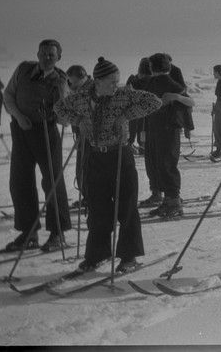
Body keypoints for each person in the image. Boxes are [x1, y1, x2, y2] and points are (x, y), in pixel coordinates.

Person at [55, 57, 162, 273]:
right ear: (98, 81)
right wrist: (78, 122)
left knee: (127, 207)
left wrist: (126, 115)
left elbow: (154, 101)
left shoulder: (123, 95)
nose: (116, 85)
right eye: (112, 81)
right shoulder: (82, 98)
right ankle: (97, 254)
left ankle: (128, 257)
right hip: (95, 158)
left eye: (117, 81)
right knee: (97, 209)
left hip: (120, 156)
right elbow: (59, 107)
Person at [2, 40, 72, 252]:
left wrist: (59, 109)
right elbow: (8, 95)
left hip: (45, 132)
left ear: (58, 57)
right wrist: (19, 116)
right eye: (43, 53)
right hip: (21, 130)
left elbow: (65, 119)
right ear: (38, 54)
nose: (47, 57)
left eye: (51, 54)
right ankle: (29, 232)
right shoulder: (23, 69)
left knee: (52, 181)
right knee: (19, 181)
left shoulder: (60, 81)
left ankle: (57, 233)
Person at [142, 53, 195, 218]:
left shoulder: (169, 82)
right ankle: (167, 200)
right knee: (157, 163)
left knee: (166, 164)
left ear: (153, 67)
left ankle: (175, 202)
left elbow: (191, 102)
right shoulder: (152, 81)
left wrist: (176, 97)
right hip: (154, 127)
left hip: (168, 129)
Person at [65, 65, 94, 201]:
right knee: (81, 169)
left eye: (75, 82)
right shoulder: (78, 89)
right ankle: (87, 196)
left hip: (91, 136)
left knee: (88, 168)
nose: (72, 84)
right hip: (81, 134)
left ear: (83, 78)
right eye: (70, 82)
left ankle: (91, 196)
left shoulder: (92, 89)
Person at [125, 58, 152, 154]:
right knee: (143, 127)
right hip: (145, 110)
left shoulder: (133, 79)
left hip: (134, 111)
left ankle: (135, 144)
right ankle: (142, 145)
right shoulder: (152, 80)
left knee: (136, 126)